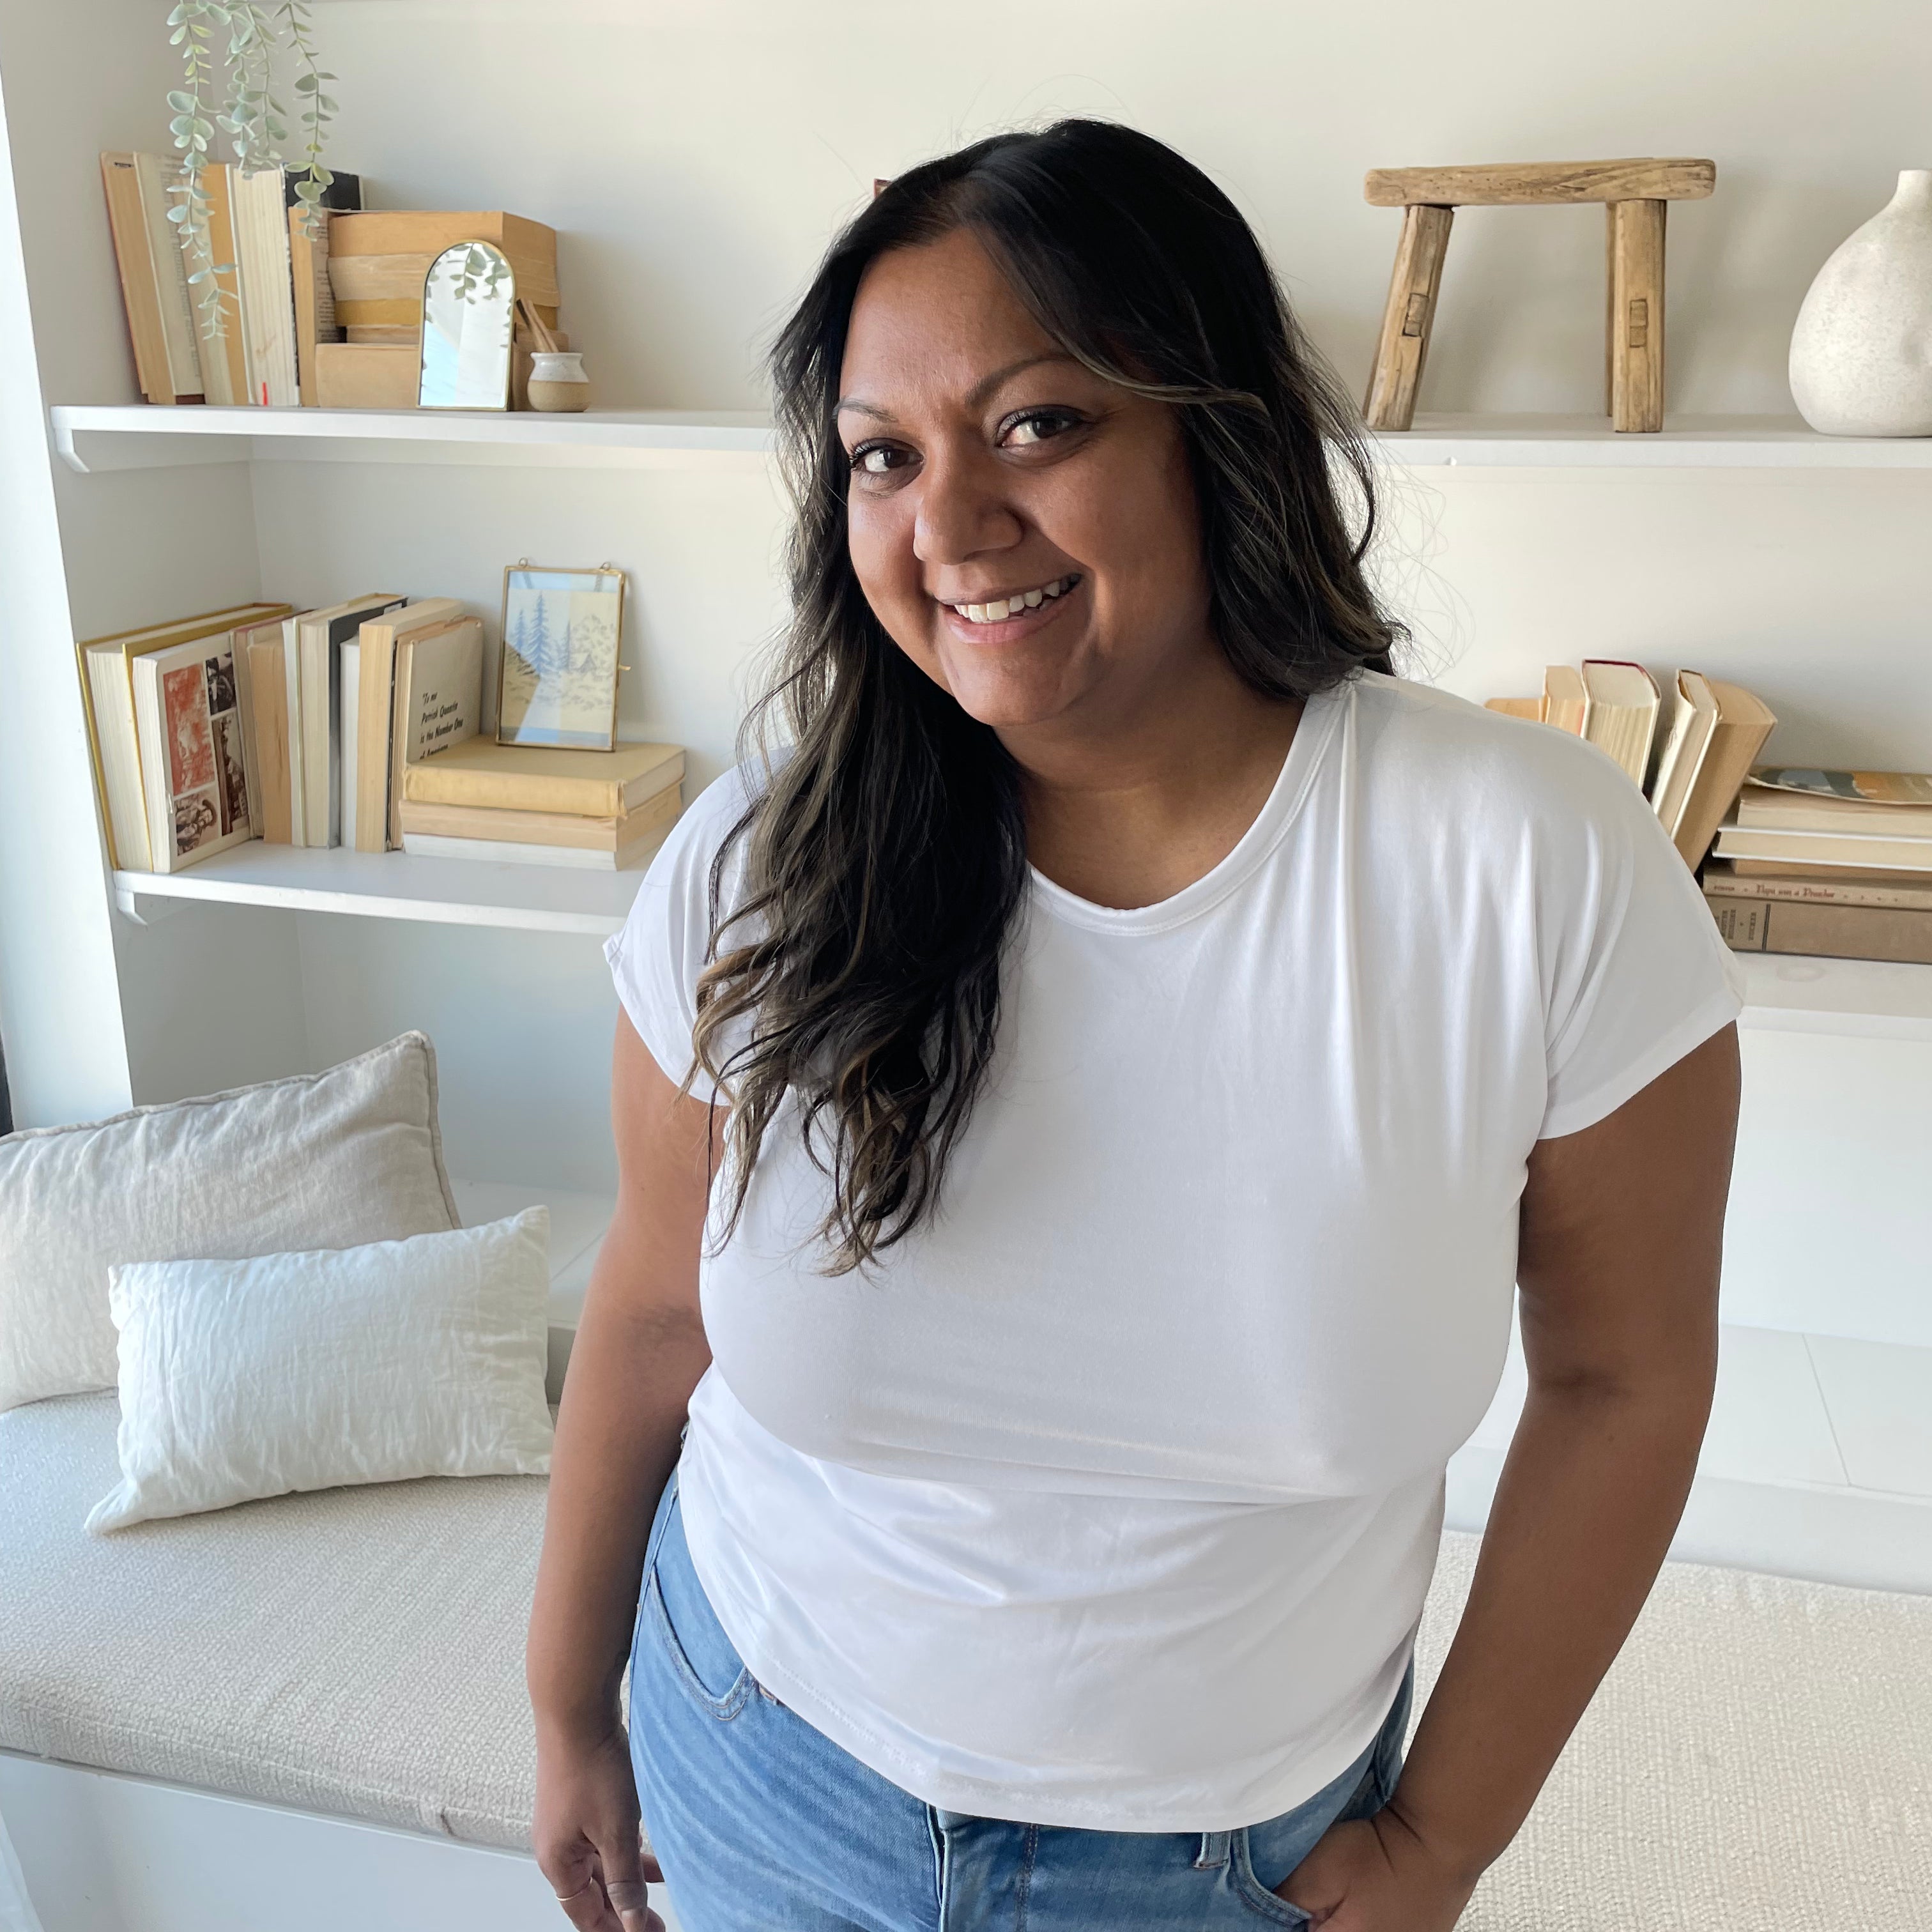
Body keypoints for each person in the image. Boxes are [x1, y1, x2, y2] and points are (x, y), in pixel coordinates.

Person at [526, 119, 1744, 1932]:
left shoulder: (1530, 866)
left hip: (1230, 1861)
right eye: (882, 457)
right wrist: (567, 1708)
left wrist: (1446, 1841)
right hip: (762, 1755)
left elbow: (1625, 1379)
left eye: (1040, 422)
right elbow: (647, 1308)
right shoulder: (759, 868)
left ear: (1216, 427)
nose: (949, 526)